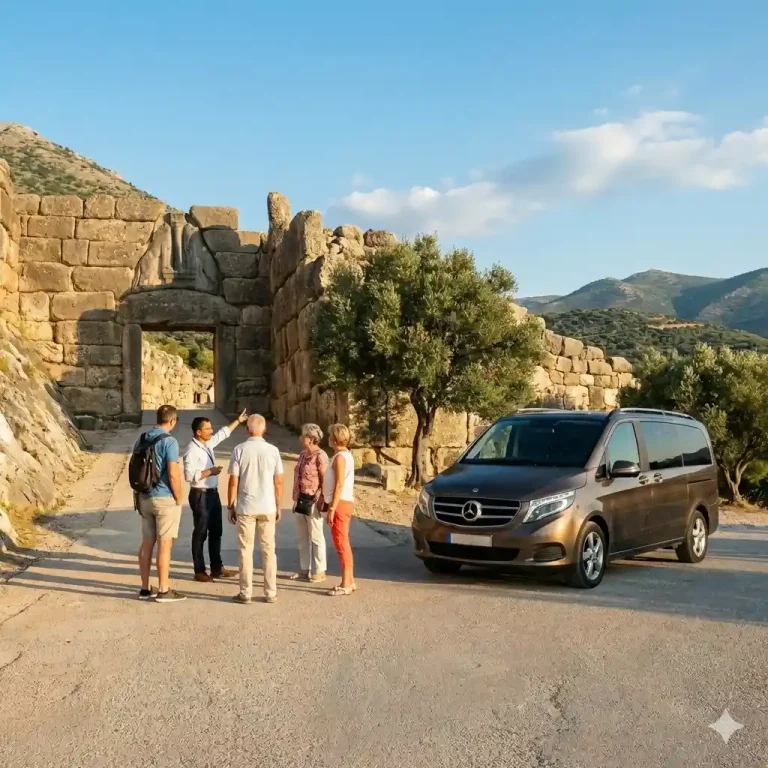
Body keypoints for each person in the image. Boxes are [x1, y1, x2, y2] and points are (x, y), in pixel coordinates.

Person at [183, 409, 248, 582]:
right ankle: (199, 570)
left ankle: (217, 567)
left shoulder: (207, 444)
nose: (211, 432)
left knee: (216, 532)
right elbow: (189, 476)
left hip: (212, 494)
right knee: (201, 532)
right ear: (198, 432)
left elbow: (222, 434)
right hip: (200, 495)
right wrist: (209, 472)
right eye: (207, 429)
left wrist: (238, 420)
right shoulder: (192, 450)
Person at [227, 414, 284, 604]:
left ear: (247, 429)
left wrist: (230, 505)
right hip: (267, 505)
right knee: (269, 550)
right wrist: (278, 504)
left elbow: (233, 481)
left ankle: (246, 592)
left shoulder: (239, 450)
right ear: (264, 429)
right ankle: (271, 592)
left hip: (246, 506)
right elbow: (278, 482)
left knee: (245, 550)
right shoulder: (273, 450)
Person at [136, 405, 186, 603]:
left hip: (144, 496)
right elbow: (173, 473)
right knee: (165, 544)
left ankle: (145, 588)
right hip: (164, 497)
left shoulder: (142, 438)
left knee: (147, 542)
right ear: (172, 421)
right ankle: (164, 590)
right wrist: (178, 497)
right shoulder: (169, 441)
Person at [290, 423, 329, 583]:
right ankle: (304, 569)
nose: (301, 437)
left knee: (316, 536)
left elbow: (325, 480)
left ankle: (320, 570)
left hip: (313, 500)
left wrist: (321, 501)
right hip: (300, 500)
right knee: (302, 537)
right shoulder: (302, 455)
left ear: (312, 439)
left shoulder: (321, 456)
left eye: (304, 435)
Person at [321, 424, 356, 596]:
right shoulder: (343, 455)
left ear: (334, 439)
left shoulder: (340, 458)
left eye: (329, 435)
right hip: (343, 502)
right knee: (343, 542)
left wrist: (332, 507)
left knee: (341, 543)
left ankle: (346, 583)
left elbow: (339, 484)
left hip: (340, 503)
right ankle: (349, 579)